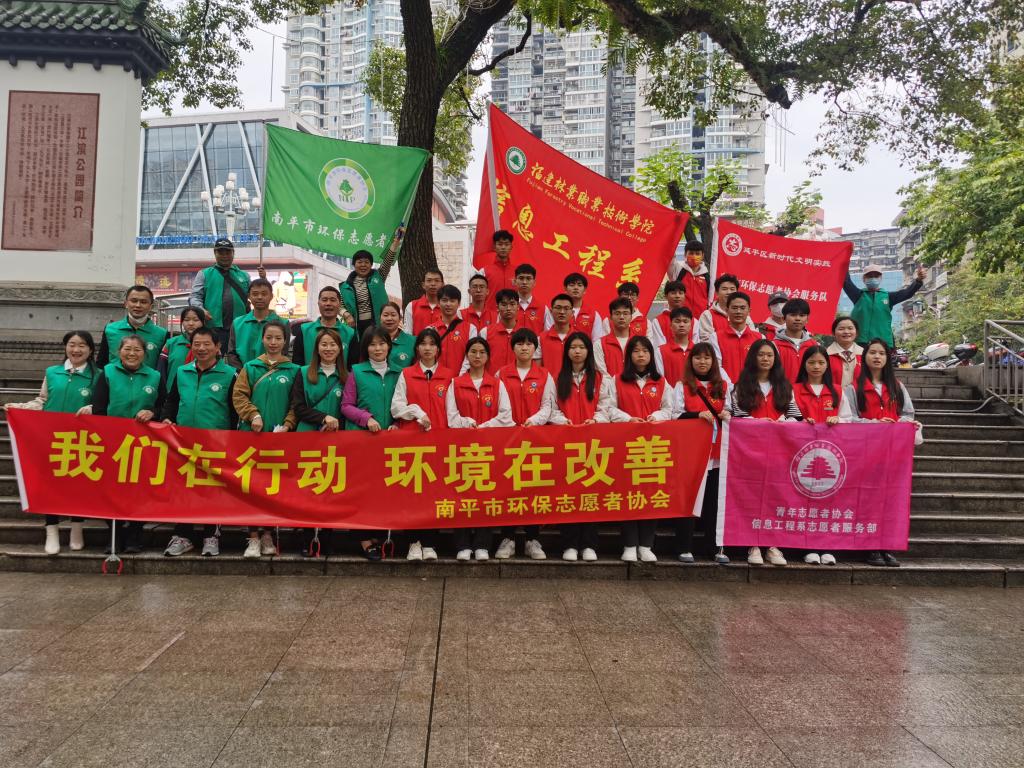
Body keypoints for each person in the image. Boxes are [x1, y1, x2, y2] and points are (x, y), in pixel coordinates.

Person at [5, 330, 97, 554]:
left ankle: (77, 527)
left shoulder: (98, 376)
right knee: (51, 485)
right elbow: (43, 400)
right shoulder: (52, 372)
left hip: (81, 440)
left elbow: (102, 404)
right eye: (72, 344)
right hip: (52, 438)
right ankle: (52, 529)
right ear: (65, 347)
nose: (76, 350)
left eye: (82, 345)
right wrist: (21, 408)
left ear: (90, 350)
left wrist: (92, 408)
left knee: (78, 484)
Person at [161, 327, 238, 557]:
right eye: (197, 344)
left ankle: (211, 536)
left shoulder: (230, 374)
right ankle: (182, 535)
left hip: (216, 444)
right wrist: (167, 417)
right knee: (183, 489)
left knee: (212, 490)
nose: (201, 349)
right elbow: (172, 401)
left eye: (207, 344)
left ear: (218, 347)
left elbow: (234, 410)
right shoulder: (182, 372)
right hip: (184, 443)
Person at [846, 339, 920, 568]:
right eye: (872, 353)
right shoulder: (853, 388)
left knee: (890, 499)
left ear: (888, 358)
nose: (877, 357)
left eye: (881, 353)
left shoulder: (897, 387)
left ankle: (886, 545)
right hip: (866, 453)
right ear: (864, 357)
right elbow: (849, 419)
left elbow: (908, 413)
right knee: (868, 498)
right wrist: (875, 424)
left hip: (893, 453)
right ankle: (869, 546)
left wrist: (899, 423)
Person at [730, 340, 802, 566]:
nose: (765, 359)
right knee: (751, 498)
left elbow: (795, 417)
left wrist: (781, 424)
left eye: (770, 355)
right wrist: (763, 425)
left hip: (779, 453)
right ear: (753, 357)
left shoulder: (784, 387)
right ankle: (753, 544)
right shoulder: (740, 386)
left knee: (775, 497)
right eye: (761, 354)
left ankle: (773, 545)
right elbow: (739, 418)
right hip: (750, 453)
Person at [91, 334, 164, 554]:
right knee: (111, 489)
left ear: (145, 354)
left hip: (144, 444)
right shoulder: (107, 373)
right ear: (118, 352)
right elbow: (99, 408)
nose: (132, 354)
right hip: (113, 443)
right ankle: (114, 533)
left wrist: (152, 412)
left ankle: (134, 533)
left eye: (137, 350)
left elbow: (164, 406)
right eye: (127, 349)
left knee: (140, 490)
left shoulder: (154, 376)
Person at [232, 320, 299, 559]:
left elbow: (297, 403)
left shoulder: (294, 370)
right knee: (251, 487)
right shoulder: (250, 367)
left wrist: (288, 424)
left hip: (279, 439)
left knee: (273, 487)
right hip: (252, 436)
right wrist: (253, 415)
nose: (273, 342)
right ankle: (252, 537)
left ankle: (269, 534)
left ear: (285, 341)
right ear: (262, 339)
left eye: (278, 338)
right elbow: (239, 396)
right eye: (269, 337)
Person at [606, 336, 675, 563]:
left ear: (651, 355)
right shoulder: (617, 380)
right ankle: (629, 544)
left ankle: (646, 544)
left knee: (651, 495)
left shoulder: (661, 382)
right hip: (626, 446)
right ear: (629, 356)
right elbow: (608, 408)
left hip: (653, 447)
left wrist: (656, 416)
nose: (641, 355)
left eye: (645, 351)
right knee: (627, 494)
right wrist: (628, 419)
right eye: (636, 351)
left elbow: (670, 409)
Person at [446, 336, 514, 561]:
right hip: (462, 449)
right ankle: (463, 544)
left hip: (489, 449)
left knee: (487, 495)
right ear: (467, 355)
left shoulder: (496, 384)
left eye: (482, 352)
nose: (477, 356)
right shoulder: (456, 383)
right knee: (462, 495)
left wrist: (483, 427)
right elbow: (451, 416)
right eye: (473, 352)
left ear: (488, 357)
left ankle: (483, 544)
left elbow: (506, 416)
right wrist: (466, 423)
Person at [341, 327, 404, 560]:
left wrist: (397, 423)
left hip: (389, 443)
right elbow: (346, 406)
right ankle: (364, 538)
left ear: (389, 346)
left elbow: (404, 403)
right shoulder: (356, 372)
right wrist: (366, 418)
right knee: (362, 491)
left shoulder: (399, 373)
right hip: (363, 441)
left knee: (385, 490)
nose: (378, 349)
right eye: (372, 344)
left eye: (382, 344)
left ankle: (380, 533)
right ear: (365, 348)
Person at [391, 328, 453, 561]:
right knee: (413, 492)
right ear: (417, 348)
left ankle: (430, 543)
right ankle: (413, 542)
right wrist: (416, 412)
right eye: (423, 344)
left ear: (438, 349)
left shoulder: (449, 376)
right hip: (412, 441)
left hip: (439, 441)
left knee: (435, 493)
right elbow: (396, 407)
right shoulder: (406, 374)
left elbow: (453, 409)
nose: (427, 348)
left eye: (432, 344)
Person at [549, 332, 611, 562]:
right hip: (566, 443)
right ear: (567, 352)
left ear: (588, 351)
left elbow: (606, 407)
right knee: (568, 494)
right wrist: (563, 421)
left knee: (590, 494)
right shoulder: (557, 378)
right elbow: (551, 408)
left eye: (581, 347)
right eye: (573, 347)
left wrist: (595, 420)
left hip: (593, 444)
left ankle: (589, 544)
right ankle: (570, 544)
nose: (577, 351)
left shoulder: (600, 378)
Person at [494, 328, 555, 561]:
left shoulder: (544, 375)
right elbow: (498, 404)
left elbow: (548, 405)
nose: (524, 348)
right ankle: (507, 538)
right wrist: (510, 423)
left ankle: (532, 538)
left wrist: (533, 421)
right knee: (507, 488)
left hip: (535, 439)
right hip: (507, 438)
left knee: (533, 488)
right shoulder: (502, 374)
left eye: (529, 344)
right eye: (520, 344)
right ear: (513, 348)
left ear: (535, 349)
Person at [793, 344, 855, 566]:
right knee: (804, 500)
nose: (816, 366)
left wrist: (838, 420)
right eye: (811, 362)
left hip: (831, 455)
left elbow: (848, 418)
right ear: (804, 365)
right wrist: (802, 422)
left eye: (821, 362)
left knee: (829, 501)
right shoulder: (794, 389)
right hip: (801, 455)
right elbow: (789, 418)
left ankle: (827, 546)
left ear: (827, 365)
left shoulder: (837, 390)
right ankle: (807, 546)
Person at [675, 342, 732, 564]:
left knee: (714, 502)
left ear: (714, 361)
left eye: (707, 358)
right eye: (698, 357)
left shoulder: (724, 386)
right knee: (690, 500)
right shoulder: (682, 386)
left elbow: (732, 411)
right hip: (692, 452)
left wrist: (727, 415)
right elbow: (675, 415)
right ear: (691, 361)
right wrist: (696, 415)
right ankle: (684, 546)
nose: (702, 362)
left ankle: (714, 548)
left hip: (717, 452)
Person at [188, 237, 265, 348]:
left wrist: (263, 279)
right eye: (221, 252)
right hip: (213, 327)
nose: (224, 255)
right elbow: (195, 297)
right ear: (215, 253)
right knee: (215, 356)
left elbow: (256, 295)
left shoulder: (244, 275)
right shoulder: (204, 274)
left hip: (240, 327)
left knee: (240, 356)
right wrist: (201, 310)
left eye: (228, 252)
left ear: (233, 253)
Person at [340, 226, 404, 335]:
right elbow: (339, 305)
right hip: (357, 328)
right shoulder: (345, 286)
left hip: (379, 325)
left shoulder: (379, 276)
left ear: (371, 265)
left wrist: (396, 241)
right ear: (354, 264)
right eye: (360, 262)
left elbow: (388, 260)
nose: (363, 265)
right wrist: (346, 315)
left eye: (366, 262)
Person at [843, 263, 926, 347]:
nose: (873, 278)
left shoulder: (888, 297)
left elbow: (907, 293)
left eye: (876, 276)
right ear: (864, 279)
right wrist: (845, 259)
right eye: (870, 276)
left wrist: (918, 280)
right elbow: (846, 281)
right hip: (860, 342)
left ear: (880, 278)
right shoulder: (858, 295)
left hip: (883, 343)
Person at [97, 285, 169, 370]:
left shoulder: (162, 334)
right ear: (126, 304)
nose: (138, 305)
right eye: (134, 301)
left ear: (151, 306)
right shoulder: (110, 329)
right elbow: (101, 363)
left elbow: (163, 367)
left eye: (143, 302)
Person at [292, 327, 347, 434]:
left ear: (340, 348)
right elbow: (298, 408)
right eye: (324, 344)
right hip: (307, 434)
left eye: (333, 344)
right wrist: (323, 418)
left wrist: (335, 424)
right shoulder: (303, 372)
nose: (328, 348)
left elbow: (348, 409)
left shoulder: (347, 377)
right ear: (317, 348)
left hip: (336, 434)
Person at [226, 278, 287, 369]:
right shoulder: (237, 323)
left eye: (264, 294)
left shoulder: (283, 323)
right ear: (249, 297)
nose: (259, 297)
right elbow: (232, 353)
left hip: (272, 373)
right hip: (242, 374)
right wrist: (243, 373)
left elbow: (284, 353)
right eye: (255, 294)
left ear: (271, 296)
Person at [292, 286, 356, 369]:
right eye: (324, 300)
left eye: (333, 300)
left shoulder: (350, 333)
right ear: (318, 303)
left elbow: (352, 367)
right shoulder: (304, 330)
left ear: (339, 304)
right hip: (309, 377)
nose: (328, 303)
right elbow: (297, 363)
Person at [708, 292, 763, 383]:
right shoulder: (715, 337)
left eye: (742, 308)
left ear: (749, 311)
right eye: (734, 308)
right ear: (727, 310)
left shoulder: (760, 338)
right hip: (725, 389)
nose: (738, 312)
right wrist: (730, 387)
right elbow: (716, 366)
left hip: (753, 388)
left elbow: (763, 367)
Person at [544, 272, 603, 341]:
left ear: (585, 290)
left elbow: (597, 341)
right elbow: (548, 335)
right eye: (572, 285)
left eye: (579, 285)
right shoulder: (555, 311)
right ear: (565, 289)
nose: (576, 288)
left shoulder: (594, 314)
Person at [698, 273, 755, 341]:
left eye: (732, 289)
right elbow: (706, 342)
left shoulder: (744, 316)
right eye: (724, 289)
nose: (729, 292)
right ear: (717, 292)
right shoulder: (707, 315)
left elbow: (752, 338)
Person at [159, 306, 204, 391]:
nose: (191, 323)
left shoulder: (209, 345)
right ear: (182, 322)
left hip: (200, 392)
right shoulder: (171, 343)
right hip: (172, 392)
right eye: (186, 320)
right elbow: (162, 370)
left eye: (195, 320)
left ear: (203, 322)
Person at [772, 297, 816, 384]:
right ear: (784, 318)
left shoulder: (814, 346)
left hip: (806, 392)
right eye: (793, 315)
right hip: (781, 391)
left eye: (802, 315)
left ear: (807, 319)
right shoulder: (773, 346)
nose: (797, 318)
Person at [433, 284, 476, 372]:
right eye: (444, 300)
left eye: (452, 301)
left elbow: (471, 356)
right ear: (438, 303)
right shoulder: (430, 329)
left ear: (459, 303)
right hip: (436, 378)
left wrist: (460, 377)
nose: (448, 304)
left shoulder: (470, 329)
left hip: (461, 378)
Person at [668, 240, 710, 320]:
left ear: (702, 255)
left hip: (701, 321)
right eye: (691, 253)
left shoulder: (708, 276)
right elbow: (669, 255)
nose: (694, 256)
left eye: (697, 254)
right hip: (680, 320)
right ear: (685, 254)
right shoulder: (678, 270)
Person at [480, 289, 520, 374]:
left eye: (512, 304)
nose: (508, 308)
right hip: (492, 380)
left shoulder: (524, 333)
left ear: (518, 306)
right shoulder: (485, 332)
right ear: (497, 307)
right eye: (504, 304)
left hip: (517, 380)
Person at [594, 297, 634, 377]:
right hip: (609, 385)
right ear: (611, 317)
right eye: (617, 313)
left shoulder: (640, 343)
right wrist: (617, 384)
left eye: (625, 313)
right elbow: (602, 375)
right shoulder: (600, 344)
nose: (621, 317)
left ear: (631, 317)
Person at [658, 307, 694, 388]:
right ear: (670, 325)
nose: (681, 325)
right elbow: (660, 380)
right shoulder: (660, 351)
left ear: (691, 325)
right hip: (670, 395)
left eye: (685, 321)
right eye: (677, 321)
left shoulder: (697, 350)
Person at [403, 268, 444, 334]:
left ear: (442, 285)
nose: (433, 284)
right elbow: (407, 334)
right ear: (423, 285)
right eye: (429, 280)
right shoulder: (412, 306)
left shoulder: (447, 307)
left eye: (437, 280)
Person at [539, 293, 574, 369]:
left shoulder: (579, 338)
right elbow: (537, 368)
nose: (562, 312)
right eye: (558, 308)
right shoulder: (540, 339)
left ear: (572, 313)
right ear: (551, 311)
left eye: (566, 308)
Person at [650, 280, 689, 348]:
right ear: (666, 296)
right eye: (673, 293)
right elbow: (659, 347)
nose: (677, 296)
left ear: (684, 296)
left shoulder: (693, 321)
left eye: (680, 293)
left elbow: (695, 346)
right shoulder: (657, 321)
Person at [827, 316, 863, 387]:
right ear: (833, 333)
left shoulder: (865, 355)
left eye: (850, 328)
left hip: (859, 394)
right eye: (841, 329)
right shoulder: (825, 355)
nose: (846, 332)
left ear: (856, 332)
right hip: (832, 393)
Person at [379, 301, 416, 369]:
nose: (389, 318)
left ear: (400, 318)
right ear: (380, 318)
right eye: (385, 315)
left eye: (393, 315)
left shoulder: (413, 341)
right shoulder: (371, 339)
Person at [513, 263, 545, 334]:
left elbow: (548, 334)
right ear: (515, 281)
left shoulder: (543, 309)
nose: (524, 282)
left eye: (528, 278)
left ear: (534, 282)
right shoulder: (508, 307)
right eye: (521, 278)